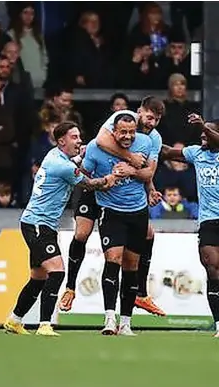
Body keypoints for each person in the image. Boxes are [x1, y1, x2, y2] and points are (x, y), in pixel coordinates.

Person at [4, 121, 115, 337]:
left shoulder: (54, 156)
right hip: (38, 224)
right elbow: (88, 184)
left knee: (38, 277)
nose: (79, 140)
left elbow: (72, 162)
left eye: (79, 136)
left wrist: (80, 155)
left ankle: (14, 320)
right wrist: (109, 179)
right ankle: (45, 324)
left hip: (40, 223)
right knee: (57, 271)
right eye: (74, 137)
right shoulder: (63, 166)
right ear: (61, 141)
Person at [60, 97, 166, 317]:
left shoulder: (152, 139)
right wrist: (129, 160)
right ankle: (70, 287)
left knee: (148, 234)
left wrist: (150, 189)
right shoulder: (121, 120)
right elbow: (100, 141)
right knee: (81, 233)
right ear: (139, 112)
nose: (151, 123)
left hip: (123, 195)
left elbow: (147, 169)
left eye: (156, 119)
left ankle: (141, 294)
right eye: (148, 117)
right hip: (98, 185)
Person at [81, 113, 153, 336]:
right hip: (111, 212)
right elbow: (82, 179)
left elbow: (148, 173)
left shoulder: (146, 143)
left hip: (138, 212)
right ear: (113, 131)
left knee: (131, 267)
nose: (128, 137)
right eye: (123, 132)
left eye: (132, 132)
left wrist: (132, 171)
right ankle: (109, 319)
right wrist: (103, 183)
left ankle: (126, 323)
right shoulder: (95, 147)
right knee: (113, 260)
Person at [161, 115, 219, 338]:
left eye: (208, 132)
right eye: (202, 133)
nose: (203, 135)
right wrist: (147, 137)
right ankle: (218, 325)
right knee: (212, 269)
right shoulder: (197, 153)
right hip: (207, 220)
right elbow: (167, 152)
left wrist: (203, 124)